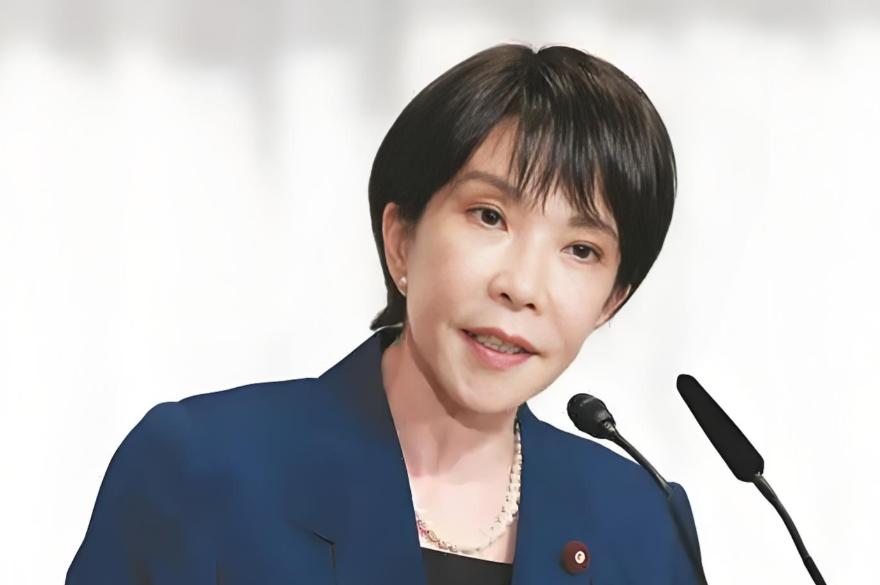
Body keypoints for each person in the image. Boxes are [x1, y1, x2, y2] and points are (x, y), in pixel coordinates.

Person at [66, 43, 703, 585]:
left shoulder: (643, 526)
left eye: (581, 249)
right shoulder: (203, 470)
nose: (522, 286)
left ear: (611, 301)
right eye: (489, 216)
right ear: (401, 240)